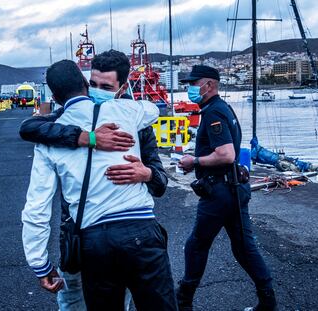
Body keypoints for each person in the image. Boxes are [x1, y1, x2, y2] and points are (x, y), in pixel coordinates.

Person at [22, 60, 177, 311]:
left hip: (93, 240)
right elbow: (154, 110)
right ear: (86, 84)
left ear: (54, 96)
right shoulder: (127, 112)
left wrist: (40, 264)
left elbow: (36, 207)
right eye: (94, 85)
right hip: (141, 229)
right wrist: (95, 131)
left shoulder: (50, 133)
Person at [176, 65, 277, 311]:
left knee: (196, 245)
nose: (189, 88)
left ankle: (183, 301)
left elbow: (226, 154)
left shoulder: (212, 113)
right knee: (244, 247)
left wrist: (194, 161)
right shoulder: (223, 108)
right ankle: (268, 301)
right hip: (233, 187)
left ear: (208, 85)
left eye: (193, 83)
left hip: (220, 192)